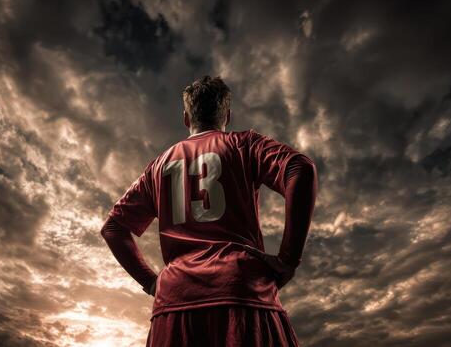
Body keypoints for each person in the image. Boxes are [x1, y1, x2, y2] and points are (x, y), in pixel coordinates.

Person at [100, 75, 317, 346]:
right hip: (241, 291)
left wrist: (152, 283)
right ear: (227, 115)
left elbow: (112, 228)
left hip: (176, 300)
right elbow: (300, 168)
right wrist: (288, 259)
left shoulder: (158, 166)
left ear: (186, 118)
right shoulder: (244, 144)